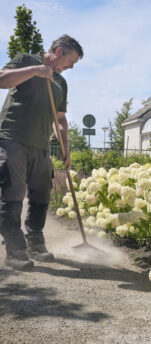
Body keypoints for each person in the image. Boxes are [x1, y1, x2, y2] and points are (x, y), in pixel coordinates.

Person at [0, 34, 83, 270]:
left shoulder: (60, 82)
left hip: (41, 145)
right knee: (13, 195)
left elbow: (60, 119)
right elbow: (1, 79)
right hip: (13, 138)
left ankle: (35, 243)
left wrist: (65, 147)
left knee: (41, 196)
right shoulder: (26, 60)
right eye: (71, 61)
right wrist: (36, 70)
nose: (71, 67)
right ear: (58, 51)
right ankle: (15, 252)